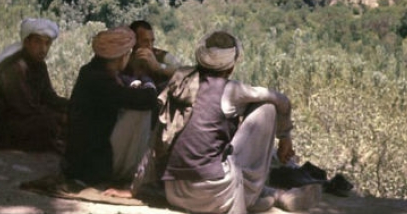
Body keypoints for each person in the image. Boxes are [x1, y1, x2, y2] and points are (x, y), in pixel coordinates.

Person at [160, 30, 296, 214]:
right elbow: (282, 100)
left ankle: (257, 196)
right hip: (212, 195)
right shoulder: (231, 90)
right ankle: (252, 195)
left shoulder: (181, 79)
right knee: (267, 108)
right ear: (231, 66)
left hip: (174, 190)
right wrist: (285, 136)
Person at [65, 25, 159, 195]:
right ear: (122, 56)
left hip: (78, 159)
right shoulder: (101, 81)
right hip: (93, 165)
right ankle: (132, 170)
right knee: (141, 111)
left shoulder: (89, 71)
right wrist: (147, 80)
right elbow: (148, 100)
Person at [0, 17, 68, 153]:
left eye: (47, 43)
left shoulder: (39, 65)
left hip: (17, 118)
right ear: (27, 42)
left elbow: (49, 97)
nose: (43, 48)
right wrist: (59, 118)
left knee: (68, 116)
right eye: (38, 42)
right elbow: (25, 107)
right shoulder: (14, 66)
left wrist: (72, 107)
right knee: (46, 124)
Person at [125, 19, 181, 91]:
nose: (150, 45)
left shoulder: (162, 56)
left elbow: (182, 71)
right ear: (133, 42)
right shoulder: (123, 58)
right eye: (145, 41)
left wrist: (158, 67)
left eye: (152, 41)